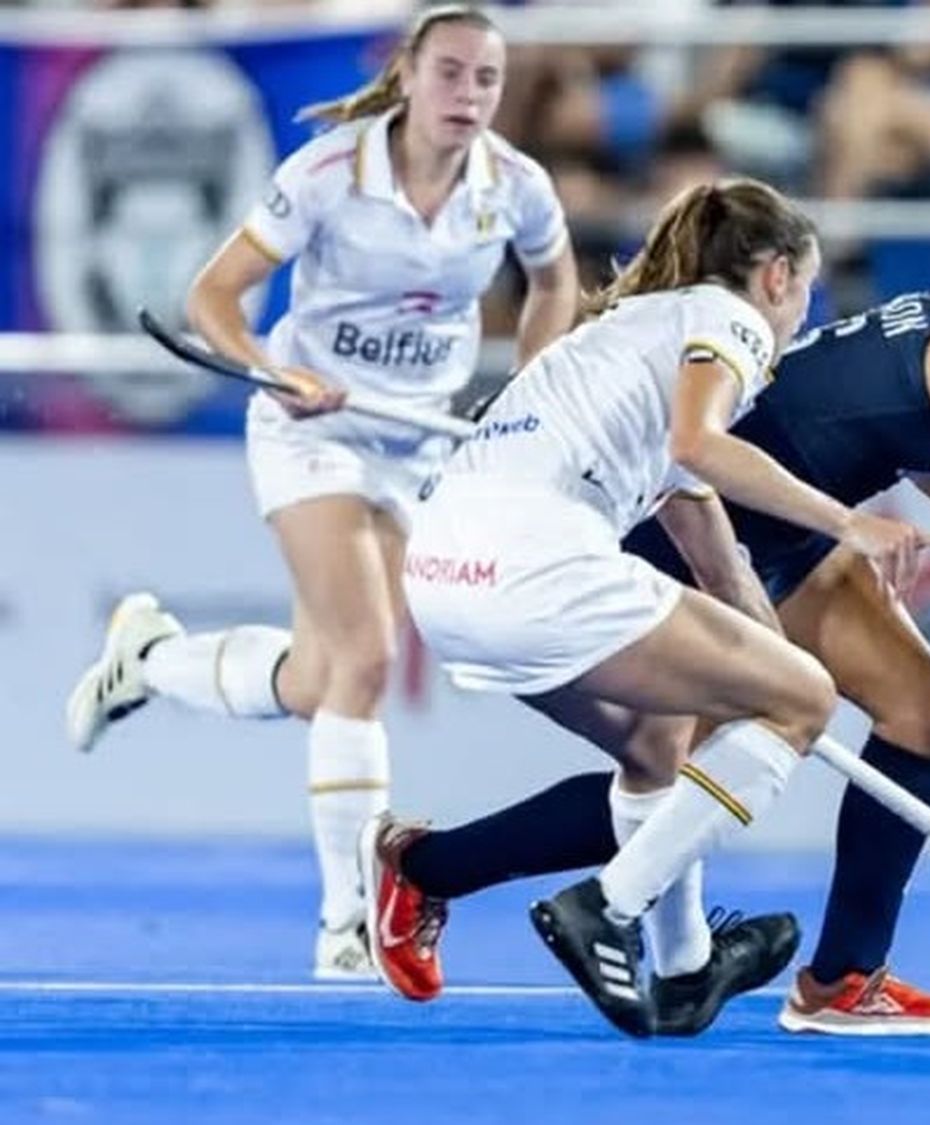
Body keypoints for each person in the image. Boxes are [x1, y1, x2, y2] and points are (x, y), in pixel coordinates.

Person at [363, 158, 930, 1037]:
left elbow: (928, 454)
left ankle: (839, 979)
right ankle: (440, 870)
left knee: (917, 709)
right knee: (672, 777)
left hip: (784, 524)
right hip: (721, 509)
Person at [361, 176, 930, 1038]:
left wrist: (769, 688)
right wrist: (848, 526)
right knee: (810, 695)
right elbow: (701, 443)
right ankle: (609, 904)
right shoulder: (729, 320)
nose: (796, 323)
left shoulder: (630, 340)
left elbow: (722, 560)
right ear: (777, 276)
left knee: (660, 746)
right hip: (534, 563)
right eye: (806, 294)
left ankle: (683, 971)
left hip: (445, 582)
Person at [63, 4, 579, 981]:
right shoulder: (331, 173)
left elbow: (554, 284)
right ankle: (347, 924)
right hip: (313, 430)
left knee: (322, 678)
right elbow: (213, 296)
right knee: (367, 660)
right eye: (452, 74)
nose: (469, 96)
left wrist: (532, 386)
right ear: (410, 75)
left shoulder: (516, 186)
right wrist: (273, 370)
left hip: (419, 444)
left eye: (487, 81)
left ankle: (155, 662)